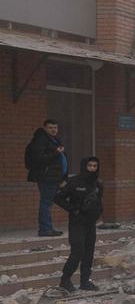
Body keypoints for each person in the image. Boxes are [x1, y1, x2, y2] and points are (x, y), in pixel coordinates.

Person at [55, 157, 103, 291]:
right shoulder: (74, 182)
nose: (92, 168)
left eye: (95, 166)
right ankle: (65, 280)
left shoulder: (98, 184)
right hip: (77, 223)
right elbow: (58, 198)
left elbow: (99, 201)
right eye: (90, 166)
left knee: (89, 253)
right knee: (77, 252)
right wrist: (73, 210)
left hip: (90, 223)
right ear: (84, 166)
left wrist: (98, 213)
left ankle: (85, 282)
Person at [25, 119, 67, 237]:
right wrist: (56, 153)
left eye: (55, 128)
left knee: (48, 202)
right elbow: (39, 159)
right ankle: (45, 229)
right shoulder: (40, 140)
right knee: (46, 202)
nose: (53, 130)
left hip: (54, 177)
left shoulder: (53, 140)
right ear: (45, 128)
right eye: (50, 128)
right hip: (46, 177)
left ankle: (47, 227)